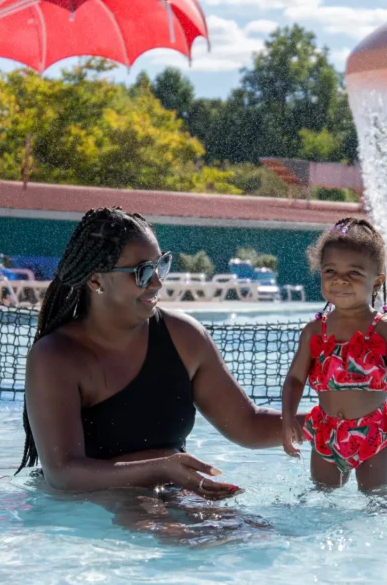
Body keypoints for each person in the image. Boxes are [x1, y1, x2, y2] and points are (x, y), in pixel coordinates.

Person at [18, 206, 291, 499]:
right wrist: (161, 469)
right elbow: (63, 473)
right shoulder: (56, 358)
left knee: (254, 536)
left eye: (160, 266)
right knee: (174, 531)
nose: (158, 282)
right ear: (96, 280)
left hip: (172, 492)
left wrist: (324, 423)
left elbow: (247, 424)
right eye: (142, 272)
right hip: (97, 506)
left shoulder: (184, 337)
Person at [280, 217, 387, 492]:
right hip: (326, 433)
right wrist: (287, 418)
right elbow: (295, 380)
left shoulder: (384, 331)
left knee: (377, 500)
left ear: (377, 280)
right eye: (330, 271)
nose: (340, 280)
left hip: (375, 433)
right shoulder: (314, 332)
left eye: (354, 273)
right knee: (322, 500)